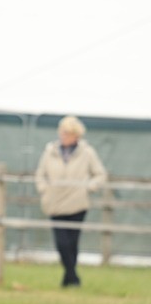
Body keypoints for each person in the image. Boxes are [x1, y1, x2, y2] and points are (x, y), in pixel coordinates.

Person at [35, 116, 107, 287]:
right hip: (55, 203)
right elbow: (40, 174)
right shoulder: (50, 152)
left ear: (76, 135)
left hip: (77, 204)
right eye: (62, 132)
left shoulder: (87, 153)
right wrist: (44, 189)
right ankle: (72, 276)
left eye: (67, 133)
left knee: (72, 242)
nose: (63, 136)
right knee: (61, 242)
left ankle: (69, 278)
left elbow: (100, 174)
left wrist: (88, 187)